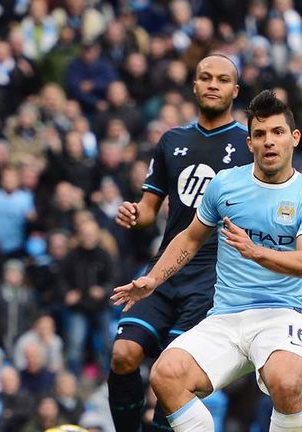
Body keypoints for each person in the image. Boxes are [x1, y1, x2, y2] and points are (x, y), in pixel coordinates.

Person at [112, 90, 302, 431]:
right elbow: (188, 238)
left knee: (287, 383)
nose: (268, 142)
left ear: (294, 138)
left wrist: (255, 251)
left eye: (277, 132)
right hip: (226, 316)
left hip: (279, 315)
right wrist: (153, 279)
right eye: (259, 135)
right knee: (165, 374)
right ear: (249, 143)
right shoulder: (225, 185)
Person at [108, 53, 252, 431]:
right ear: (194, 85)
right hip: (165, 267)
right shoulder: (172, 140)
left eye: (222, 80)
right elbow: (150, 209)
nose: (212, 85)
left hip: (214, 277)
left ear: (234, 91)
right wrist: (135, 215)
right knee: (123, 354)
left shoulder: (248, 146)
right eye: (205, 77)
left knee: (170, 374)